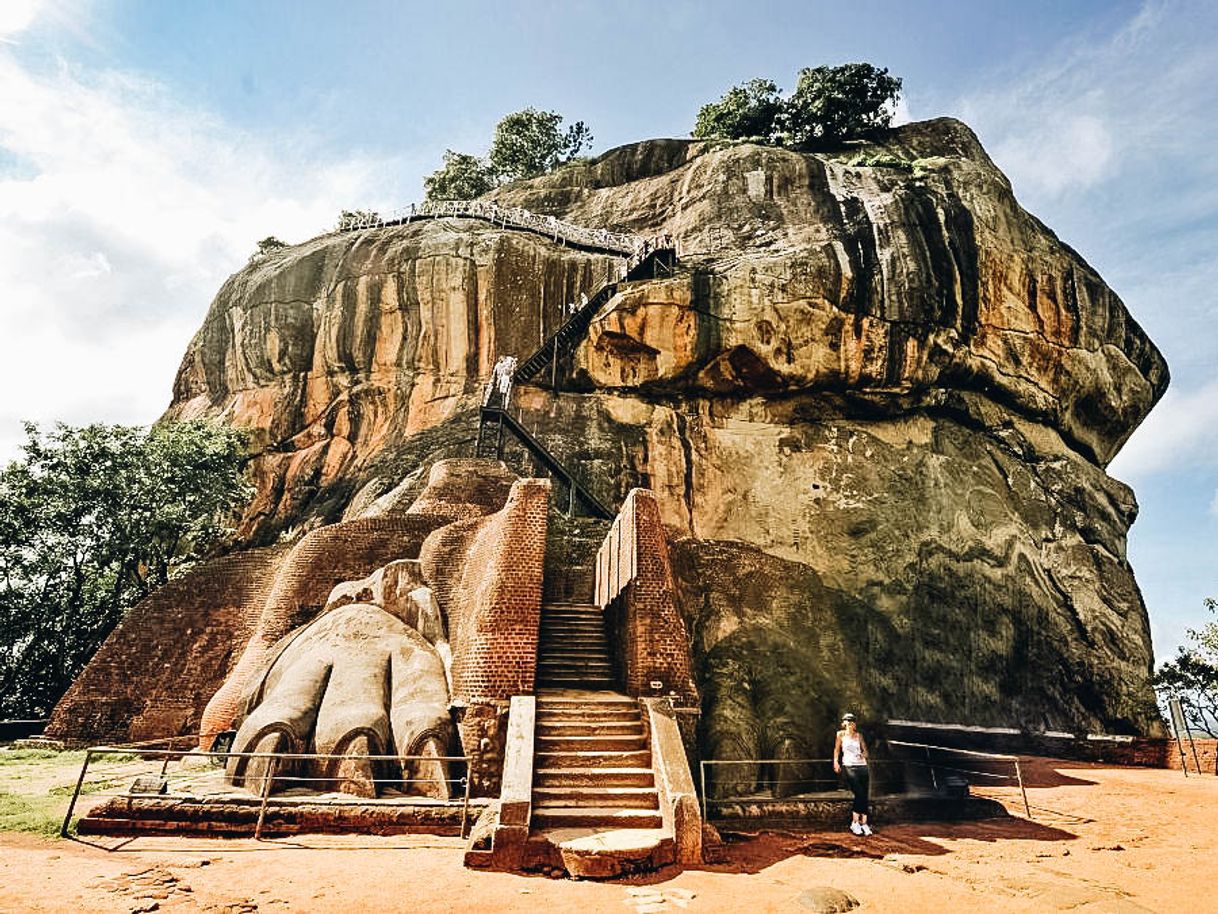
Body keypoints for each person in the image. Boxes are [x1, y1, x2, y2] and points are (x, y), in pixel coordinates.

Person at [833, 712, 873, 836]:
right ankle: (854, 822)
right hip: (849, 765)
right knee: (859, 793)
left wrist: (863, 755)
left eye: (852, 721)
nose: (850, 724)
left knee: (864, 794)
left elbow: (866, 751)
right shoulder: (840, 735)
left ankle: (864, 823)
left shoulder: (859, 735)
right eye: (848, 721)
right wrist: (835, 762)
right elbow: (837, 750)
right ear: (843, 723)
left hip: (862, 765)